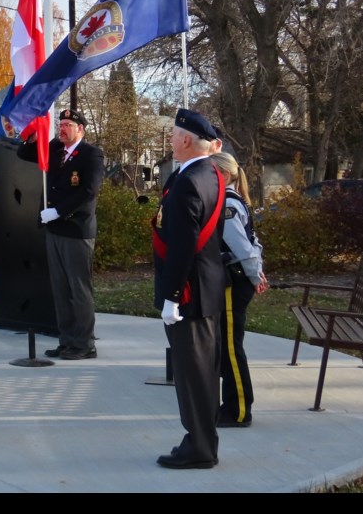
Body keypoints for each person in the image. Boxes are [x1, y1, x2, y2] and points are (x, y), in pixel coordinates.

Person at [152, 108, 226, 470]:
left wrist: (170, 297)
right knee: (203, 370)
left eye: (172, 133)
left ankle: (199, 446)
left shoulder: (187, 183)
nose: (169, 138)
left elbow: (182, 246)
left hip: (188, 294)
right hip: (204, 287)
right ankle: (202, 438)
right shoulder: (209, 173)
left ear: (184, 140)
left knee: (192, 371)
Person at [17, 109, 104, 360]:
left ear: (81, 129)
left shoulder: (91, 154)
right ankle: (66, 340)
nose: (62, 128)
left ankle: (85, 343)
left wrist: (59, 211)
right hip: (54, 228)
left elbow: (89, 191)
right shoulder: (54, 147)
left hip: (76, 228)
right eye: (60, 123)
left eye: (68, 125)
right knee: (60, 288)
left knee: (78, 289)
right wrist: (33, 134)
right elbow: (24, 153)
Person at [208, 151, 268, 428]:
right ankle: (230, 405)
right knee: (226, 345)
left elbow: (243, 247)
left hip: (234, 280)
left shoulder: (228, 204)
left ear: (223, 174)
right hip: (233, 278)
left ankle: (239, 410)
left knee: (231, 348)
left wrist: (255, 276)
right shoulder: (229, 200)